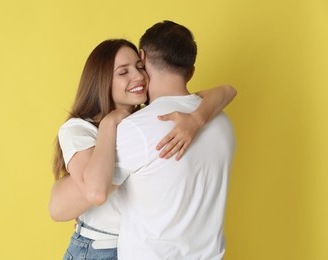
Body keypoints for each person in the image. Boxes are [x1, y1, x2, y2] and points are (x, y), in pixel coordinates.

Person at [49, 38, 236, 259]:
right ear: (102, 79)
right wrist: (110, 123)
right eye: (123, 72)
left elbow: (226, 91)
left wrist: (196, 119)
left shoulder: (143, 122)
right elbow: (95, 191)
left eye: (140, 67)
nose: (137, 77)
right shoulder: (80, 129)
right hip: (98, 247)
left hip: (131, 245)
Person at [114, 21, 236, 259]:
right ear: (190, 71)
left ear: (142, 57)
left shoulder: (136, 127)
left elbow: (95, 191)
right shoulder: (223, 122)